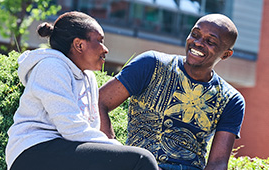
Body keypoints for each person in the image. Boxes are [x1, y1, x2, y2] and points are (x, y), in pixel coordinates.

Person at [5, 11, 159, 170]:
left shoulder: (88, 78)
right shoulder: (51, 67)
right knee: (141, 159)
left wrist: (114, 152)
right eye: (99, 41)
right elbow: (71, 128)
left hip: (65, 150)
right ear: (79, 45)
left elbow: (88, 133)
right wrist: (117, 149)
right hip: (32, 153)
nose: (105, 49)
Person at [99, 13, 245, 170]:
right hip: (139, 164)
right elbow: (99, 102)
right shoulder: (151, 64)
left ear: (226, 54)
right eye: (195, 34)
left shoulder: (231, 99)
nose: (197, 43)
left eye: (210, 41)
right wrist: (113, 151)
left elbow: (218, 164)